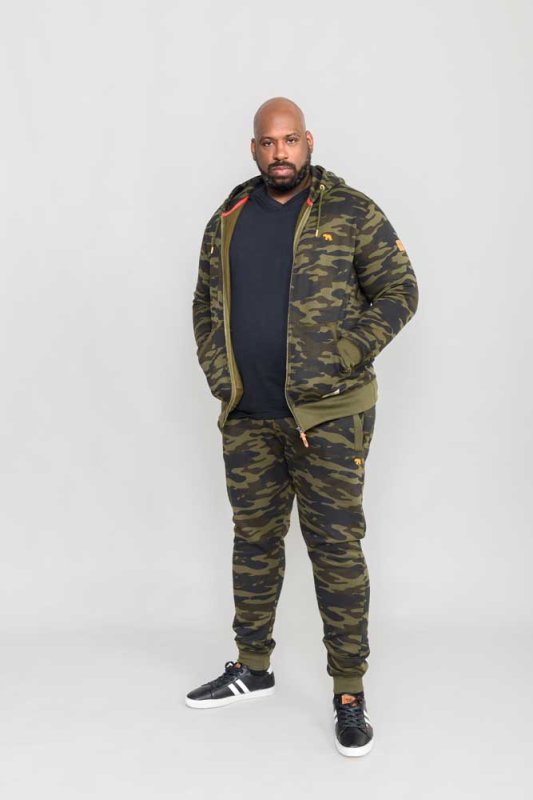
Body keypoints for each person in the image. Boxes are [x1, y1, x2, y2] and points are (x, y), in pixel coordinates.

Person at [188, 96, 419, 757]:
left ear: (308, 141)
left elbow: (400, 290)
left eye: (289, 140)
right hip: (249, 418)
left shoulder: (350, 212)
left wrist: (343, 353)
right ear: (253, 148)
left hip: (329, 418)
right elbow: (204, 303)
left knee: (336, 551)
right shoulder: (229, 216)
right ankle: (252, 667)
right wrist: (221, 375)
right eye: (268, 142)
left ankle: (348, 692)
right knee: (253, 544)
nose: (279, 152)